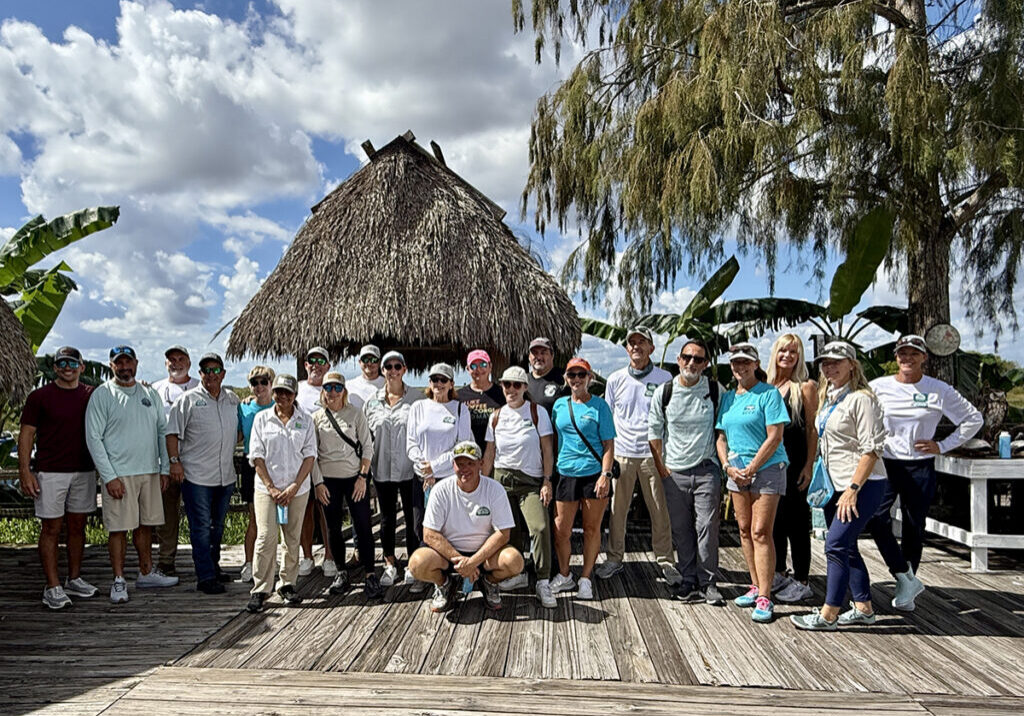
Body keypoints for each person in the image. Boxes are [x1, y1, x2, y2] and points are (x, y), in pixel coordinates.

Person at [868, 334, 983, 611]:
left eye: (913, 353)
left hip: (920, 464)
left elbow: (973, 419)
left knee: (913, 525)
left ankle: (907, 588)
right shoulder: (877, 387)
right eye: (902, 354)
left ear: (924, 358)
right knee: (875, 517)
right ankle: (902, 574)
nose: (907, 358)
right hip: (885, 462)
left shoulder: (938, 389)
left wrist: (942, 445)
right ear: (895, 357)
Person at [791, 342, 888, 630]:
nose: (829, 367)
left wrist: (853, 489)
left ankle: (829, 613)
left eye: (836, 361)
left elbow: (871, 450)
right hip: (836, 484)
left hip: (862, 484)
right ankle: (863, 607)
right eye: (825, 363)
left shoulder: (862, 399)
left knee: (835, 544)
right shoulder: (830, 397)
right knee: (846, 546)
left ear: (852, 365)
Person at [85, 345, 178, 603]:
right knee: (118, 530)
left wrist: (164, 468)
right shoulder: (102, 394)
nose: (125, 367)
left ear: (136, 363)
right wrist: (109, 476)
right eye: (119, 363)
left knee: (146, 526)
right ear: (111, 365)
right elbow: (93, 438)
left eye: (128, 362)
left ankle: (146, 572)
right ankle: (118, 580)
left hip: (149, 471)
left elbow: (162, 431)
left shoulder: (150, 393)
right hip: (119, 475)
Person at [18, 346, 99, 609]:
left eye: (72, 363)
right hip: (50, 471)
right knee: (51, 529)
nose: (67, 367)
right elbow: (27, 435)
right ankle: (52, 586)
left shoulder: (91, 395)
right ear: (54, 367)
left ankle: (73, 578)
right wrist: (25, 470)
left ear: (81, 367)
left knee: (78, 527)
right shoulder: (39, 397)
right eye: (62, 363)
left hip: (84, 470)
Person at [715, 342, 789, 623]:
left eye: (746, 361)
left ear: (756, 364)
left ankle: (766, 596)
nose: (740, 366)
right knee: (744, 530)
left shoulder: (769, 394)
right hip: (736, 472)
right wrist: (727, 467)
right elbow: (721, 437)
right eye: (735, 362)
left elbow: (775, 436)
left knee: (761, 531)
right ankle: (755, 584)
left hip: (767, 468)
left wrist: (752, 467)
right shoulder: (729, 398)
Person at [597, 326, 676, 584]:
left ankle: (665, 560)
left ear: (651, 348)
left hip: (654, 454)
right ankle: (614, 559)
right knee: (617, 511)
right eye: (632, 343)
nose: (636, 347)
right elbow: (607, 420)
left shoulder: (665, 378)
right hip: (622, 454)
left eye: (642, 343)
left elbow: (671, 418)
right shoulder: (615, 379)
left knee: (659, 511)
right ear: (627, 348)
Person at [648, 339, 725, 606]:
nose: (692, 363)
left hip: (706, 470)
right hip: (674, 472)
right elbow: (654, 433)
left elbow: (724, 428)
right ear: (679, 360)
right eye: (687, 357)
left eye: (698, 359)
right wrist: (662, 469)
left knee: (706, 527)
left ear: (705, 364)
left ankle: (709, 583)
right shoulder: (665, 391)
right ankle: (688, 579)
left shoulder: (715, 390)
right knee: (680, 530)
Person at [408, 441, 524, 612]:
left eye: (470, 463)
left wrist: (473, 562)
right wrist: (463, 562)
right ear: (452, 465)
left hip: (485, 555)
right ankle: (445, 584)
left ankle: (489, 582)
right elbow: (429, 534)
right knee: (416, 564)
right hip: (449, 555)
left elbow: (503, 534)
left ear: (481, 464)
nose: (464, 469)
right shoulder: (440, 490)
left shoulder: (495, 489)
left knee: (515, 562)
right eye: (460, 464)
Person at [166, 352, 240, 595]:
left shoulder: (232, 399)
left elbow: (239, 431)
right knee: (199, 528)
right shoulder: (187, 400)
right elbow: (171, 433)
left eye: (215, 370)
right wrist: (175, 462)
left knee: (217, 527)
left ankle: (214, 566)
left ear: (223, 374)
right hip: (196, 477)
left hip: (225, 476)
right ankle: (205, 576)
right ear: (200, 374)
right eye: (206, 370)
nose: (211, 374)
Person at [482, 365, 556, 607]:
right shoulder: (496, 416)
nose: (511, 389)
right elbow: (490, 453)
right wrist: (483, 486)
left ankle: (543, 580)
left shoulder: (537, 412)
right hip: (501, 481)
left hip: (530, 482)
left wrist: (547, 480)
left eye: (516, 385)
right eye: (506, 384)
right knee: (510, 532)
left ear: (525, 387)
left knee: (540, 527)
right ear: (501, 386)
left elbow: (547, 448)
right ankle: (518, 573)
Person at [246, 374, 318, 613]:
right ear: (273, 392)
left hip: (297, 489)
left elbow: (309, 456)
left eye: (288, 392)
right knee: (265, 538)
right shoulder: (261, 419)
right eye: (278, 391)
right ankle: (260, 587)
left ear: (295, 395)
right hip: (267, 489)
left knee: (292, 539)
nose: (283, 397)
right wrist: (272, 488)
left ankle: (287, 584)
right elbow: (256, 456)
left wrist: (294, 487)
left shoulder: (306, 420)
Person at [550, 357, 615, 601]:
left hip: (593, 474)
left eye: (581, 374)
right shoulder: (559, 405)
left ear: (589, 378)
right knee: (561, 530)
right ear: (566, 379)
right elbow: (554, 440)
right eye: (571, 375)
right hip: (566, 474)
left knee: (591, 528)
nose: (576, 379)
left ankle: (586, 578)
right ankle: (565, 575)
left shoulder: (600, 407)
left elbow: (609, 444)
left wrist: (605, 475)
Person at [311, 372, 381, 598]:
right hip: (328, 480)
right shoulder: (317, 418)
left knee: (362, 525)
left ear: (344, 391)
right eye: (328, 388)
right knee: (333, 528)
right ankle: (341, 572)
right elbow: (312, 454)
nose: (332, 392)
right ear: (323, 391)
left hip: (354, 478)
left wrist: (363, 477)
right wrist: (318, 483)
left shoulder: (356, 413)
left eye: (337, 388)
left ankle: (370, 574)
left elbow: (367, 447)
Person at [405, 362, 473, 591]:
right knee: (420, 526)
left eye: (443, 380)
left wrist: (434, 467)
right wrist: (424, 468)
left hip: (447, 478)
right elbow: (411, 442)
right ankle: (427, 574)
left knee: (448, 529)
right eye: (434, 379)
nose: (438, 384)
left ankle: (449, 574)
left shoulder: (460, 409)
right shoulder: (418, 407)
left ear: (452, 384)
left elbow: (462, 446)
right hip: (421, 477)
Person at [364, 351, 424, 588]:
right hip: (381, 469)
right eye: (387, 366)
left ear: (404, 369)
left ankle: (413, 563)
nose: (392, 370)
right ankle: (390, 562)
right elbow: (364, 437)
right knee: (387, 519)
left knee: (413, 519)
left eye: (397, 365)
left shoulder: (418, 399)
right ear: (382, 370)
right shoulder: (371, 403)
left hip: (410, 470)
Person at [766, 334, 818, 603]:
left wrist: (809, 465)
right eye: (783, 350)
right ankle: (778, 571)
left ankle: (802, 578)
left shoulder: (805, 387)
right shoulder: (765, 385)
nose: (787, 355)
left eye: (793, 351)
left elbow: (812, 429)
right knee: (775, 521)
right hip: (769, 465)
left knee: (798, 522)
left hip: (795, 462)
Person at [151, 345, 199, 579]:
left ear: (189, 363)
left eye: (181, 359)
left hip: (196, 463)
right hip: (165, 464)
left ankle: (203, 561)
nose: (176, 363)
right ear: (165, 363)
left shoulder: (201, 386)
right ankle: (166, 560)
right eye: (171, 359)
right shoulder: (155, 390)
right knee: (166, 516)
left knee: (199, 515)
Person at [296, 345, 336, 578]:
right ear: (305, 365)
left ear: (328, 366)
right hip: (300, 460)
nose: (316, 365)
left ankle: (330, 556)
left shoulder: (335, 389)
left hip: (327, 460)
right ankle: (308, 556)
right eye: (312, 361)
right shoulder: (298, 389)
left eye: (321, 361)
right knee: (305, 509)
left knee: (326, 510)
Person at [237, 365, 275, 583]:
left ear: (271, 383)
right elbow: (238, 436)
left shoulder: (278, 405)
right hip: (251, 465)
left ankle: (270, 562)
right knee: (255, 518)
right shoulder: (243, 408)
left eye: (263, 382)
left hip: (274, 464)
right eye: (254, 383)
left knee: (277, 519)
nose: (259, 386)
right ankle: (249, 562)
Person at [457, 349, 505, 451]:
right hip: (468, 454)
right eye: (473, 366)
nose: (478, 369)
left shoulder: (503, 394)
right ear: (467, 369)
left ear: (490, 366)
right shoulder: (458, 396)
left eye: (483, 364)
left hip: (497, 452)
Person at [526, 337, 569, 417]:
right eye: (535, 353)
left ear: (552, 356)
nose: (539, 357)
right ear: (529, 357)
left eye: (543, 353)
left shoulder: (564, 378)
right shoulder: (522, 381)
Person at [347, 344, 385, 409]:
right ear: (360, 362)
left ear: (379, 363)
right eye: (365, 360)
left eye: (373, 360)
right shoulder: (348, 385)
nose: (369, 363)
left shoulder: (389, 385)